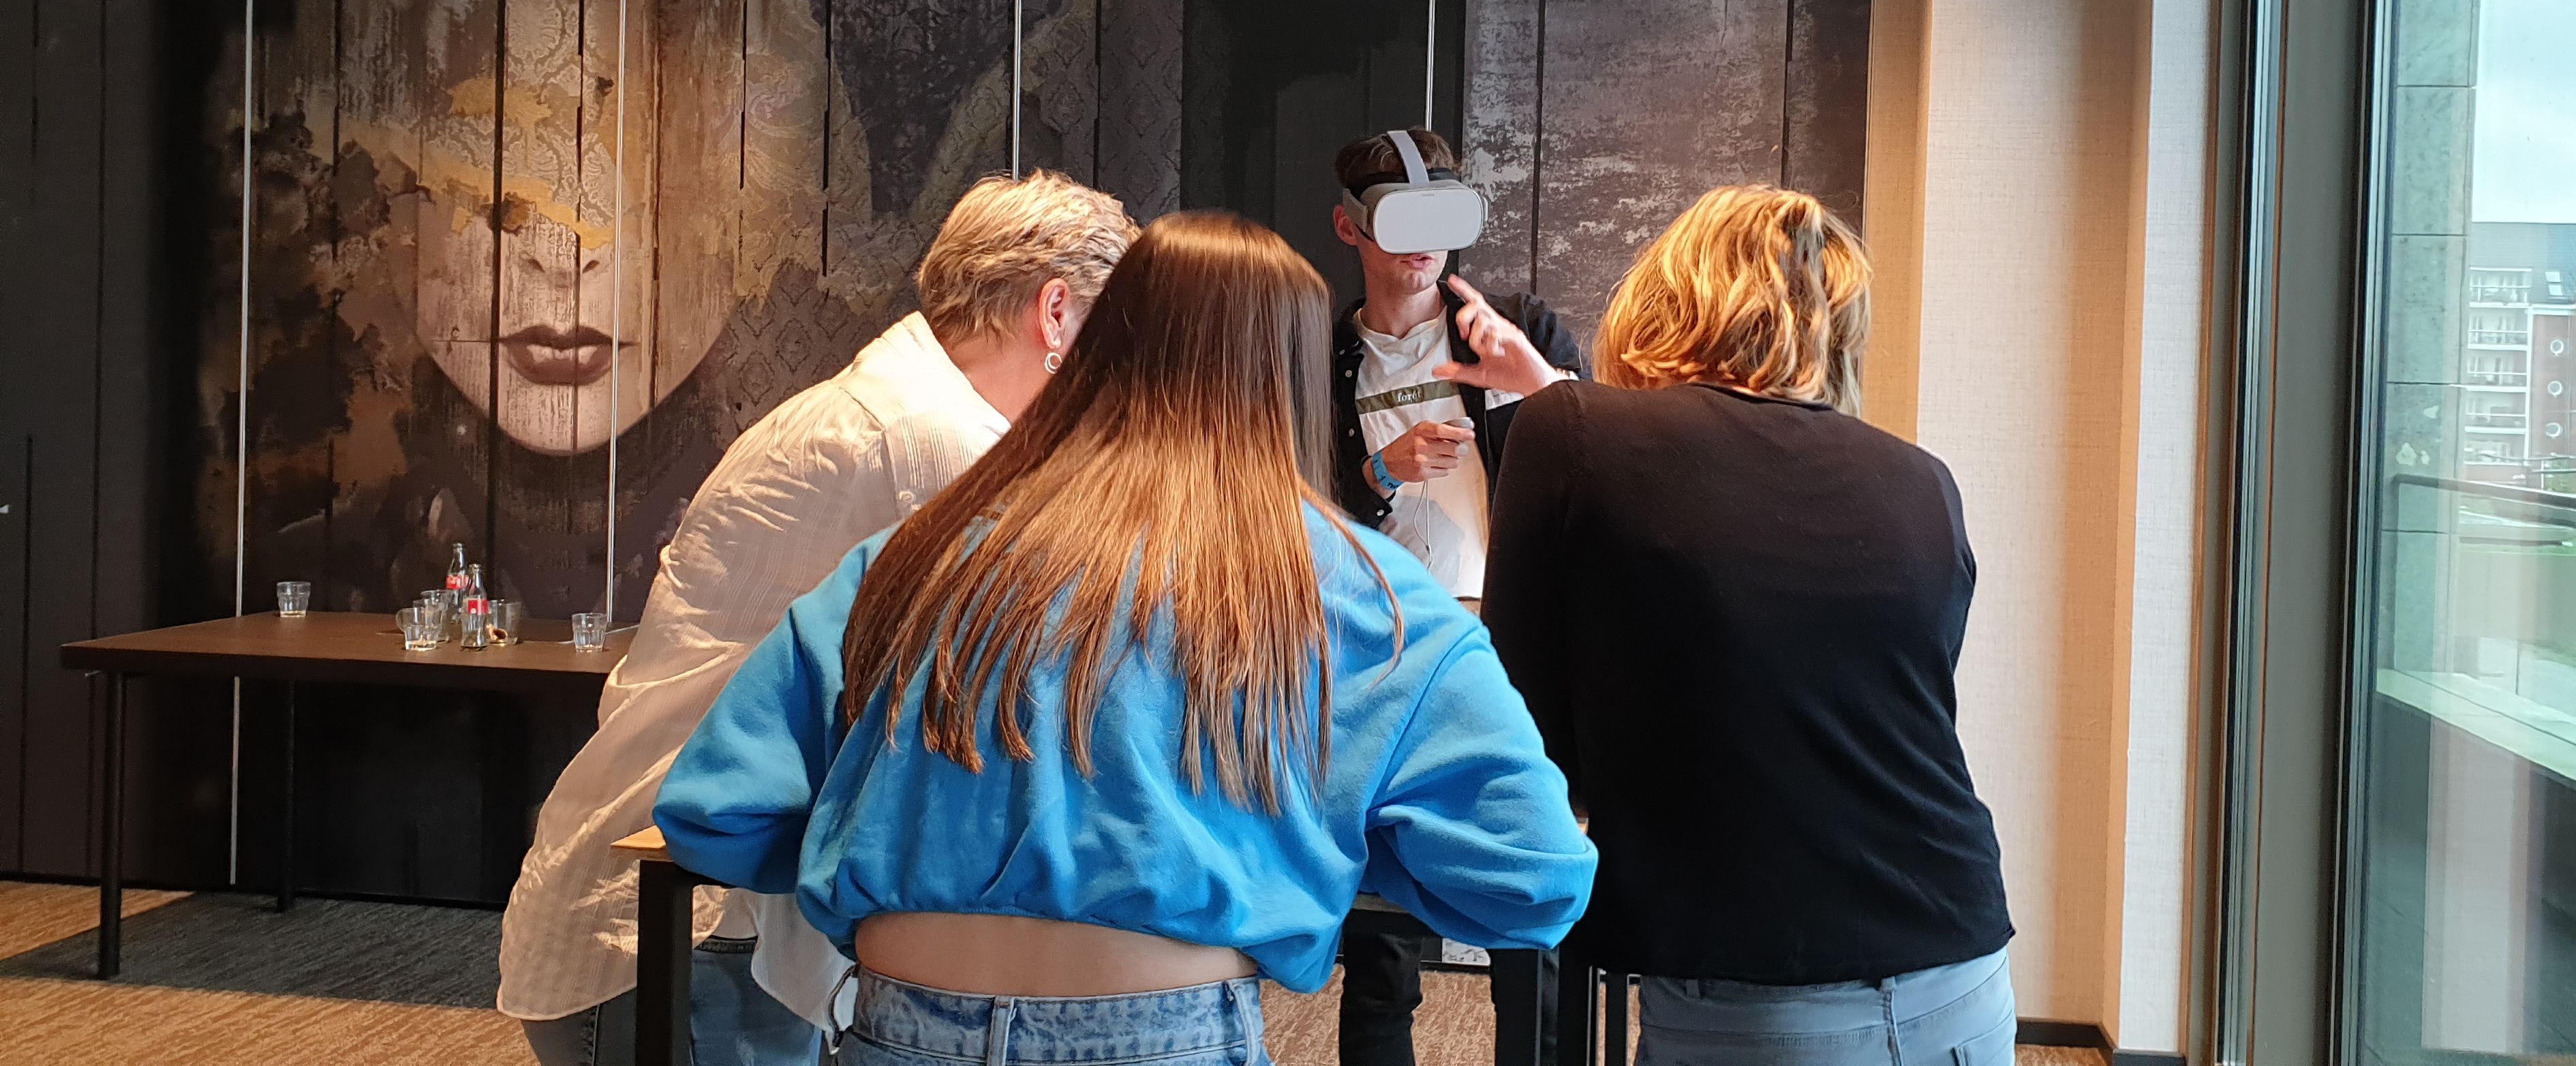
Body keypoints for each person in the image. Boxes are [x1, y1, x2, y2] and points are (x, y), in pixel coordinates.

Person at [653, 211, 1597, 1066]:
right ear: (1295, 380)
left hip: (896, 1021)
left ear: (1101, 348)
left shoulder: (912, 551)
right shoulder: (1374, 593)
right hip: (1169, 1031)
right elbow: (1535, 881)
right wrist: (1326, 839)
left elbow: (713, 811)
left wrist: (900, 835)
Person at [498, 172, 1139, 1066]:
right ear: (1057, 312)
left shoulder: (888, 407)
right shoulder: (932, 437)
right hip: (690, 929)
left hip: (693, 912)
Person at [1483, 185, 2016, 1066]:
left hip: (1761, 996)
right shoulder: (1925, 482)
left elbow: (1518, 731)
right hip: (1965, 969)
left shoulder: (1569, 430)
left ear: (1666, 295)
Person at [1325, 127, 1582, 1066]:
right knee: (1379, 933)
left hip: (1507, 640)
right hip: (1377, 646)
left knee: (1526, 910)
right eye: (1401, 219)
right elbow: (1294, 504)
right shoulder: (1324, 355)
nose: (1424, 244)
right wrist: (1379, 473)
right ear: (1351, 228)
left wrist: (1529, 386)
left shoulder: (1513, 328)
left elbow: (1593, 471)